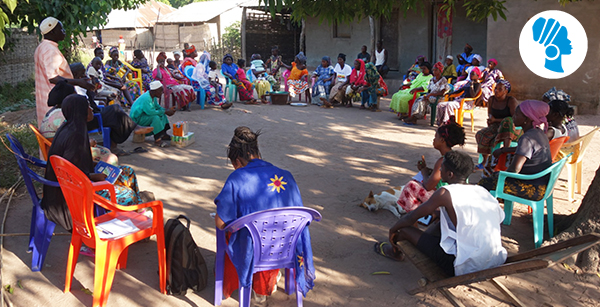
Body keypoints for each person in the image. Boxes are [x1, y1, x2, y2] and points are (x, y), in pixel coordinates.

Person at [214, 126, 315, 301]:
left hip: (255, 250)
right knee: (269, 229)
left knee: (233, 234)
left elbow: (221, 222)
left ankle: (232, 285)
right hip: (287, 246)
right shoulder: (286, 176)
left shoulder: (237, 178)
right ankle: (265, 286)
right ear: (257, 153)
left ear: (236, 161)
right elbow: (300, 215)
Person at [377, 151, 507, 277]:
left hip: (465, 265)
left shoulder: (445, 193)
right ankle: (425, 242)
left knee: (405, 229)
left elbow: (412, 216)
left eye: (441, 169)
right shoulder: (482, 191)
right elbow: (499, 217)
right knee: (440, 219)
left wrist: (393, 229)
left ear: (450, 174)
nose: (439, 172)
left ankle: (395, 252)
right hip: (494, 259)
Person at [41, 94, 146, 232]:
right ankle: (129, 223)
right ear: (81, 111)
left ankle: (136, 215)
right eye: (88, 107)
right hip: (73, 193)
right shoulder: (74, 136)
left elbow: (74, 163)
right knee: (127, 195)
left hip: (79, 181)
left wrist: (97, 167)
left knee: (128, 172)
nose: (91, 109)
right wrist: (94, 176)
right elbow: (71, 175)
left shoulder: (71, 127)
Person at [478, 100, 552, 201]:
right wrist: (504, 150)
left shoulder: (527, 138)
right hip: (542, 184)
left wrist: (499, 175)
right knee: (493, 175)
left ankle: (489, 211)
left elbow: (515, 169)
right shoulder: (539, 133)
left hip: (532, 187)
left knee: (484, 184)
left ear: (526, 119)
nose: (513, 117)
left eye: (517, 114)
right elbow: (525, 150)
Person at [76, 62, 153, 154]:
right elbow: (86, 105)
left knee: (116, 113)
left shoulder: (82, 85)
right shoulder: (77, 89)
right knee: (115, 111)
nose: (86, 75)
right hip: (91, 118)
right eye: (83, 74)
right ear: (77, 76)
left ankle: (118, 143)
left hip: (94, 111)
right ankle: (134, 128)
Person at [34, 17, 94, 128]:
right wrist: (79, 82)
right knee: (60, 132)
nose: (64, 32)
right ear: (52, 32)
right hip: (55, 100)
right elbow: (53, 78)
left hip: (48, 98)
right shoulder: (49, 50)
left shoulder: (42, 47)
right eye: (61, 29)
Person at [40, 81, 119, 165]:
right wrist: (88, 143)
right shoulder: (63, 115)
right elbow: (71, 143)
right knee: (111, 159)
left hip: (60, 150)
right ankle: (106, 175)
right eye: (74, 93)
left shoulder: (55, 111)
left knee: (105, 151)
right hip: (64, 155)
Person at [396, 122, 466, 213]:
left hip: (447, 199)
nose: (433, 140)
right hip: (457, 196)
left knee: (411, 186)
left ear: (442, 140)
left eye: (435, 137)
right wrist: (428, 170)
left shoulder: (443, 161)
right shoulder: (455, 156)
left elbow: (428, 186)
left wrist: (424, 172)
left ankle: (412, 220)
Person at [475, 80, 521, 172]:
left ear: (506, 91)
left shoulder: (511, 101)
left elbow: (515, 118)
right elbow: (490, 114)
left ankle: (505, 153)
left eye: (500, 89)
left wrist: (496, 120)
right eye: (496, 88)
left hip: (512, 129)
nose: (496, 91)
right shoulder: (491, 99)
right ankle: (485, 161)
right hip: (496, 127)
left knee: (507, 121)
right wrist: (491, 119)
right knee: (480, 134)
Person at [129, 81, 176, 147]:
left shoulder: (152, 96)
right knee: (155, 117)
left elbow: (157, 107)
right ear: (154, 91)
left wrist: (167, 110)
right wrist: (165, 111)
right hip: (137, 120)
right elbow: (150, 112)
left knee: (162, 114)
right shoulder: (146, 98)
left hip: (143, 116)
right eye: (160, 91)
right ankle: (157, 140)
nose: (162, 92)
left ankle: (163, 134)